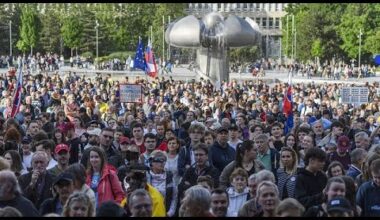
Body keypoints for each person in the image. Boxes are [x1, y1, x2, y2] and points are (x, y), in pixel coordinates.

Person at [146, 150, 177, 217]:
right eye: (159, 160)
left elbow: (174, 197)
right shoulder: (146, 177)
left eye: (164, 160)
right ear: (151, 162)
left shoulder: (170, 177)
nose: (162, 163)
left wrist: (169, 213)